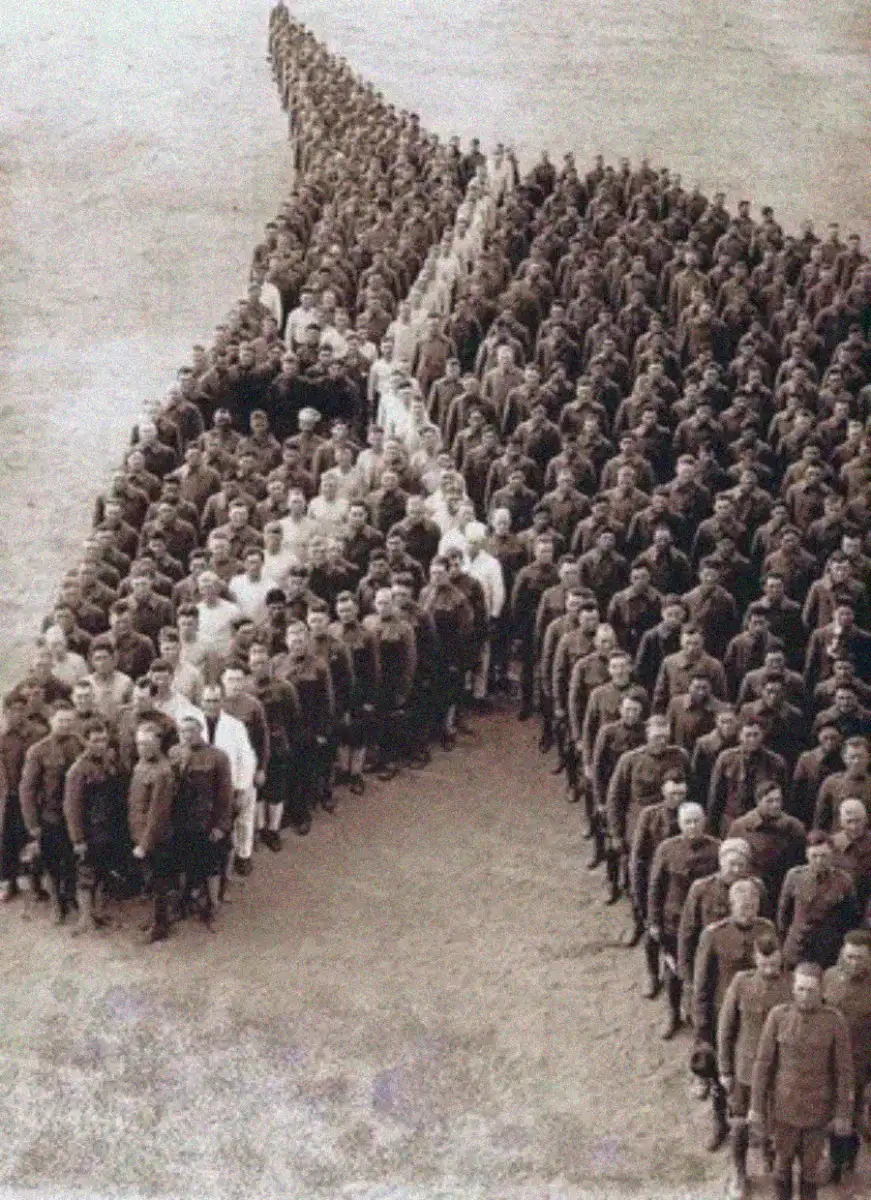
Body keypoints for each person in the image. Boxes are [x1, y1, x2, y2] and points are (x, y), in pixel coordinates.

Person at [750, 962, 854, 1200]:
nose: (805, 996)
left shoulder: (834, 1020)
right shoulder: (779, 1016)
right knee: (782, 1168)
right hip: (783, 1110)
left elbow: (844, 1073)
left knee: (810, 1171)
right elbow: (763, 1064)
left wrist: (843, 1113)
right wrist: (756, 1107)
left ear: (821, 991)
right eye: (800, 989)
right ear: (793, 988)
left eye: (811, 990)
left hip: (817, 1111)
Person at [717, 934, 792, 1200]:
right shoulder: (741, 983)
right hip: (746, 1069)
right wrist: (725, 1069)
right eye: (764, 965)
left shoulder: (792, 984)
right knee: (739, 1124)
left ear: (781, 957)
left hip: (780, 1071)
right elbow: (726, 1028)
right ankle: (739, 1172)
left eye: (774, 964)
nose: (770, 970)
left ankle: (772, 1164)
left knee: (778, 1122)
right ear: (755, 960)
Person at [19, 704, 83, 924]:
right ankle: (57, 902)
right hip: (51, 816)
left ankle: (71, 895)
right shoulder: (38, 751)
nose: (65, 725)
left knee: (73, 859)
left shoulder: (79, 744)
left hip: (75, 815)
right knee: (52, 862)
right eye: (60, 721)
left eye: (68, 720)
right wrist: (32, 823)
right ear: (51, 721)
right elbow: (27, 789)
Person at [62, 719, 127, 935]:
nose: (100, 744)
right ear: (85, 742)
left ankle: (97, 913)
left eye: (104, 740)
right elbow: (72, 808)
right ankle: (85, 918)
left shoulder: (109, 764)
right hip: (89, 833)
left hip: (108, 832)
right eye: (95, 740)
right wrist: (77, 839)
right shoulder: (77, 771)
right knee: (85, 875)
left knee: (102, 872)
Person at [169, 713, 234, 927]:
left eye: (191, 731)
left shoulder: (217, 757)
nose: (187, 735)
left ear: (200, 732)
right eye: (183, 731)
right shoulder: (174, 754)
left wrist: (221, 825)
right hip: (182, 821)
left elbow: (225, 795)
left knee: (211, 866)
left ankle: (212, 905)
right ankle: (185, 901)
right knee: (183, 863)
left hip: (207, 821)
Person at [822, 930, 871, 1183]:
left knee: (851, 1115)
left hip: (861, 1064)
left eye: (860, 958)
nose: (854, 963)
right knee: (832, 1111)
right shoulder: (829, 977)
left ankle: (848, 1159)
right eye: (850, 956)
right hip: (829, 1062)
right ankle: (833, 1158)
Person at [128, 723, 176, 943]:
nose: (142, 748)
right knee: (151, 880)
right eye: (139, 744)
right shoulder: (142, 765)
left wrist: (144, 844)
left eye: (147, 744)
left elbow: (158, 813)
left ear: (158, 743)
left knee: (159, 883)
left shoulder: (162, 772)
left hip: (156, 838)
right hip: (140, 833)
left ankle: (160, 926)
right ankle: (157, 920)